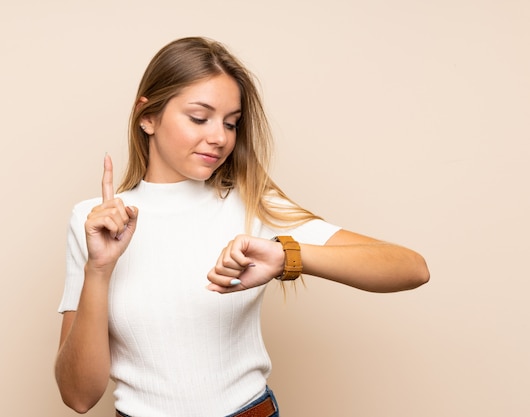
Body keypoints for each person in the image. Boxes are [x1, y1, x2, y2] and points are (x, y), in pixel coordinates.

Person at [54, 36, 429, 417]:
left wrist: (287, 257)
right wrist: (98, 270)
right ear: (147, 116)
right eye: (199, 118)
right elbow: (78, 396)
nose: (219, 138)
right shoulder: (95, 221)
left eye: (231, 124)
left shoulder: (251, 203)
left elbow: (411, 267)